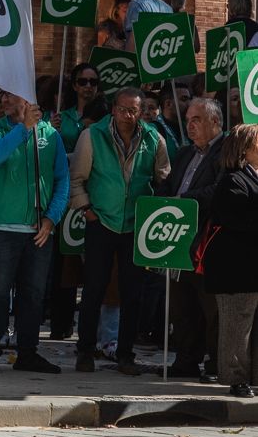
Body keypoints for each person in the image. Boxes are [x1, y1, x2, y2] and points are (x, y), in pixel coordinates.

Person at [68, 86, 170, 374]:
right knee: (93, 290)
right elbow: (77, 178)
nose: (128, 115)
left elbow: (163, 179)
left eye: (134, 110)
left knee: (132, 293)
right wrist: (87, 211)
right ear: (113, 109)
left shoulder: (154, 138)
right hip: (100, 222)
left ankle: (125, 354)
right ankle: (85, 351)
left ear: (141, 111)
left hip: (135, 226)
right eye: (123, 109)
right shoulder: (92, 136)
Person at [0, 94, 69, 375]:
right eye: (2, 95)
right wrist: (23, 129)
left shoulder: (51, 134)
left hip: (38, 230)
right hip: (2, 228)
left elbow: (62, 179)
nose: (4, 99)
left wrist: (51, 219)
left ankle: (27, 353)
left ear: (27, 99)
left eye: (11, 95)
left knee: (33, 295)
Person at [161, 97, 225, 380]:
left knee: (210, 308)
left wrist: (183, 201)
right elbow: (169, 185)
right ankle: (186, 359)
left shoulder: (227, 152)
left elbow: (218, 191)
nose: (189, 126)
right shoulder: (185, 154)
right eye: (187, 121)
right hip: (179, 241)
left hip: (208, 240)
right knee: (181, 304)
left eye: (196, 120)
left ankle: (214, 363)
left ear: (215, 122)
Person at [204, 124, 258, 397]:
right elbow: (239, 220)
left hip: (251, 268)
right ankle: (236, 378)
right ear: (245, 149)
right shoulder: (233, 181)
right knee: (236, 326)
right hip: (236, 269)